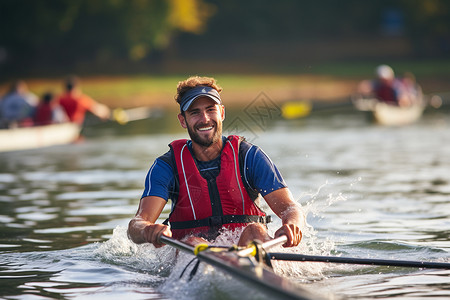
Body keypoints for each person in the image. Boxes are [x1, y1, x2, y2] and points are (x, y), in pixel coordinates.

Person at [128, 76, 304, 248]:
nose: (205, 119)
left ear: (222, 113)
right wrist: (147, 230)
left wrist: (292, 224)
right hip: (195, 253)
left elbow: (290, 208)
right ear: (183, 120)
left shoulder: (249, 156)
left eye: (210, 109)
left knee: (255, 231)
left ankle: (258, 270)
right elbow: (137, 224)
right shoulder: (166, 166)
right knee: (194, 241)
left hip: (249, 249)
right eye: (195, 112)